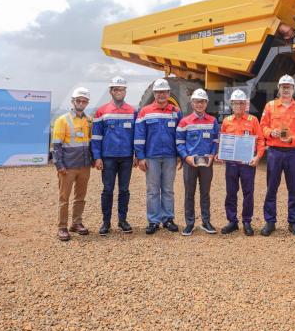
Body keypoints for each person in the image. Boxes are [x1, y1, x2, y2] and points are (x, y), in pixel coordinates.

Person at [259, 74, 295, 237]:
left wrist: (293, 139)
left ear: (294, 89)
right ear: (279, 89)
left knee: (293, 188)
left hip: (292, 152)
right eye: (283, 86)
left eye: (289, 86)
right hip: (274, 152)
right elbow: (262, 126)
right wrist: (270, 132)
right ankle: (270, 221)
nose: (286, 89)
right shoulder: (270, 106)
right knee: (271, 187)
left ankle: (293, 222)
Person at [134, 78, 182, 235]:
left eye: (164, 92)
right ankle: (153, 221)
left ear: (169, 93)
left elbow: (180, 135)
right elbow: (139, 135)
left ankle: (168, 219)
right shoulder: (145, 111)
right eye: (158, 92)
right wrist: (140, 157)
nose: (161, 94)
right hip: (151, 157)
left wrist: (180, 155)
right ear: (154, 94)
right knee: (153, 190)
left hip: (170, 156)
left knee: (168, 189)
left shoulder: (175, 111)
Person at [91, 76, 137, 236]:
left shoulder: (132, 111)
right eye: (116, 89)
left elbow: (137, 136)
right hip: (108, 157)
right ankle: (106, 222)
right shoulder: (101, 111)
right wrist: (97, 157)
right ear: (110, 91)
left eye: (121, 89)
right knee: (108, 190)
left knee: (124, 190)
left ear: (125, 91)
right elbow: (96, 137)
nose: (119, 92)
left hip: (126, 157)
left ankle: (122, 220)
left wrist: (137, 154)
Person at [217, 89, 265, 236]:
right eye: (235, 103)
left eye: (241, 103)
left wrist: (257, 157)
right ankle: (232, 221)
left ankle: (247, 221)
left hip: (247, 164)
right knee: (231, 192)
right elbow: (222, 139)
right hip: (231, 164)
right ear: (231, 105)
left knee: (248, 193)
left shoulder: (253, 120)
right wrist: (221, 153)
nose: (238, 106)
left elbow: (261, 140)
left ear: (246, 105)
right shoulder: (226, 121)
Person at [176, 88, 219, 236]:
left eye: (202, 101)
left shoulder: (213, 121)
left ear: (206, 103)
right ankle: (189, 223)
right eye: (197, 101)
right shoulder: (184, 121)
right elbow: (179, 142)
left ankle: (206, 222)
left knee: (205, 193)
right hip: (190, 162)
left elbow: (215, 141)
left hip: (207, 162)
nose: (199, 104)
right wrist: (186, 157)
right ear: (192, 103)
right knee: (189, 193)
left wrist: (212, 156)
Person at [52, 87, 93, 242]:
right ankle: (62, 227)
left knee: (80, 197)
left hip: (84, 165)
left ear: (87, 102)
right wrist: (59, 165)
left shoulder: (88, 120)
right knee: (64, 198)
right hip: (67, 167)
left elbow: (90, 143)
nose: (81, 103)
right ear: (73, 101)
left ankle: (76, 223)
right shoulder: (62, 120)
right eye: (78, 100)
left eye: (84, 101)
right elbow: (56, 145)